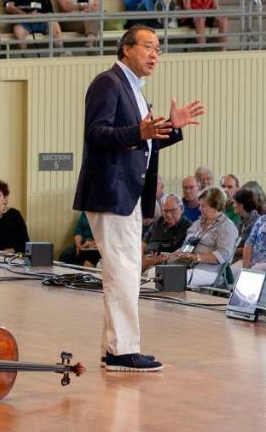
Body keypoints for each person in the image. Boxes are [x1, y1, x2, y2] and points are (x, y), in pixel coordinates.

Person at [71, 26, 205, 372]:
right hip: (111, 191)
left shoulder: (134, 90)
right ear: (126, 49)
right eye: (148, 47)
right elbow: (95, 133)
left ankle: (113, 347)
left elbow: (142, 141)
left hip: (125, 193)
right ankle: (122, 351)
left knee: (122, 271)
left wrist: (171, 129)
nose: (154, 54)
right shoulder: (108, 82)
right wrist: (138, 131)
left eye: (158, 49)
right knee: (124, 273)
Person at [157, 186, 238, 288]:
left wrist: (197, 257)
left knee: (170, 278)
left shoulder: (227, 227)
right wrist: (169, 256)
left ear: (215, 207)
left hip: (209, 270)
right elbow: (185, 247)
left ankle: (173, 303)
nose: (200, 209)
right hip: (186, 265)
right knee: (154, 273)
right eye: (200, 205)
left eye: (203, 206)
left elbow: (223, 255)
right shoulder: (197, 224)